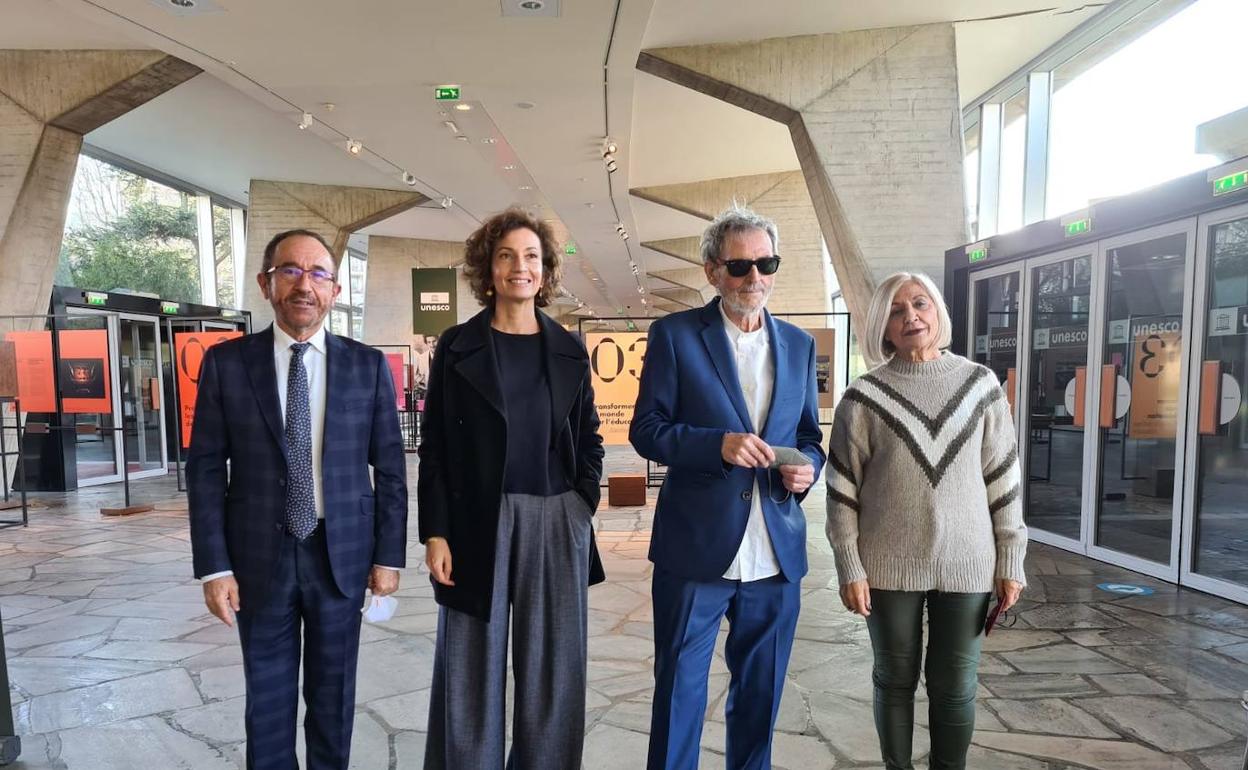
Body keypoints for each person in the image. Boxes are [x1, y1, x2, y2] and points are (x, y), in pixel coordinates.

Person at [187, 229, 408, 770]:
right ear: (266, 284)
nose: (303, 285)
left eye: (317, 273)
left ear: (334, 289)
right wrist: (214, 567)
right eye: (290, 271)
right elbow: (207, 470)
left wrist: (388, 556)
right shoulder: (227, 364)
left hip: (341, 557)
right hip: (258, 560)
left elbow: (392, 471)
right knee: (267, 702)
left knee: (333, 701)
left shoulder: (367, 366)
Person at [630, 205, 825, 770]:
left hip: (775, 552)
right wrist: (715, 444)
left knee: (760, 703)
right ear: (713, 271)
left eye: (768, 263)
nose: (756, 278)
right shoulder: (674, 335)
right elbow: (648, 429)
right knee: (679, 696)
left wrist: (806, 469)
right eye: (741, 267)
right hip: (695, 551)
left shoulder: (798, 344)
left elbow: (810, 436)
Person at [419, 208, 605, 769]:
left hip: (556, 518)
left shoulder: (570, 349)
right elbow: (435, 451)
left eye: (531, 257)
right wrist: (436, 532)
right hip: (478, 519)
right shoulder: (456, 346)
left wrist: (582, 505)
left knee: (553, 668)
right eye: (506, 256)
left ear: (546, 271)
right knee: (471, 666)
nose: (518, 267)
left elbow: (589, 437)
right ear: (488, 267)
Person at [824, 271, 1027, 770]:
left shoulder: (981, 386)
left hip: (969, 563)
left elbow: (1003, 478)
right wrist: (849, 566)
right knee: (893, 677)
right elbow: (841, 489)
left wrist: (1011, 557)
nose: (911, 316)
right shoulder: (863, 397)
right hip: (886, 565)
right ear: (883, 328)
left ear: (937, 312)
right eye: (896, 311)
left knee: (956, 684)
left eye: (920, 304)